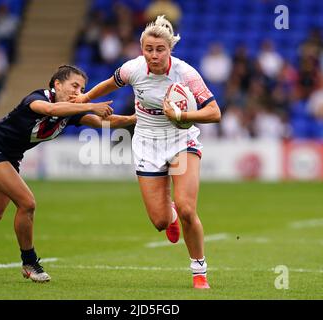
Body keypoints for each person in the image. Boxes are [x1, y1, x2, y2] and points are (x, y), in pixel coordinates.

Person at [0, 65, 136, 283]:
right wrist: (91, 106)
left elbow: (102, 122)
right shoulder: (38, 98)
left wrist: (135, 119)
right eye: (74, 85)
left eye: (82, 88)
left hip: (7, 156)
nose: (79, 91)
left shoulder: (70, 111)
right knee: (27, 203)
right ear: (57, 84)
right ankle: (30, 263)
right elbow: (49, 111)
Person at [73, 16, 221, 289]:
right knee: (159, 221)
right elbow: (109, 83)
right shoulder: (133, 69)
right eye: (148, 49)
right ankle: (171, 215)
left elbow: (214, 112)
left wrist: (182, 114)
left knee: (188, 208)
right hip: (147, 142)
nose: (153, 55)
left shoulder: (186, 73)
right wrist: (85, 98)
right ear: (142, 49)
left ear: (170, 49)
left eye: (160, 49)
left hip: (180, 140)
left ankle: (199, 271)